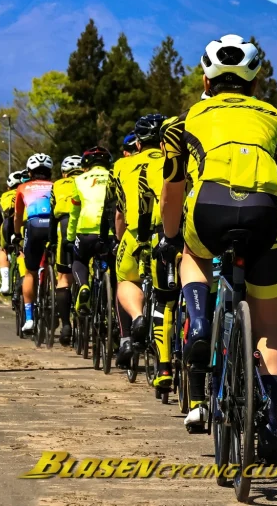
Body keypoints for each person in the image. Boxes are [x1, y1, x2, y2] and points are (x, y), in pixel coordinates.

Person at [158, 34, 277, 460]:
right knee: (269, 325)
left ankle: (199, 323)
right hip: (264, 214)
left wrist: (169, 237)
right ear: (256, 82)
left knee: (192, 256)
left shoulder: (185, 121)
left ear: (206, 80)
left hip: (209, 210)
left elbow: (172, 189)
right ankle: (270, 419)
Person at [108, 114, 174, 394]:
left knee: (125, 280)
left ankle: (135, 318)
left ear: (137, 142)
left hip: (137, 234)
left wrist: (118, 238)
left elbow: (118, 210)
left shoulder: (122, 166)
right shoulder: (175, 161)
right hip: (172, 234)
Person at [66, 146, 112, 315]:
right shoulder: (114, 176)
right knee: (115, 269)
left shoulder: (79, 180)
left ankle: (84, 286)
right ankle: (112, 304)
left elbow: (74, 212)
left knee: (79, 260)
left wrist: (70, 237)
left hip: (86, 231)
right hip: (110, 232)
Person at [13, 153, 55, 335]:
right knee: (61, 269)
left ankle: (29, 318)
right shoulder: (56, 185)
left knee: (30, 271)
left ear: (30, 172)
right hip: (54, 225)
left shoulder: (22, 187)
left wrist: (16, 235)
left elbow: (17, 216)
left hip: (34, 225)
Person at [49, 155, 82, 346]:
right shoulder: (89, 181)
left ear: (64, 173)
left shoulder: (57, 185)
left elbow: (51, 216)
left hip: (64, 225)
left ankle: (66, 325)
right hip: (88, 227)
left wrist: (51, 243)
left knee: (64, 278)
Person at [0, 170, 25, 295]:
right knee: (22, 249)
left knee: (4, 249)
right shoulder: (28, 192)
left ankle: (5, 284)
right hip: (25, 224)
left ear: (8, 186)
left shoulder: (0, 199)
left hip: (7, 226)